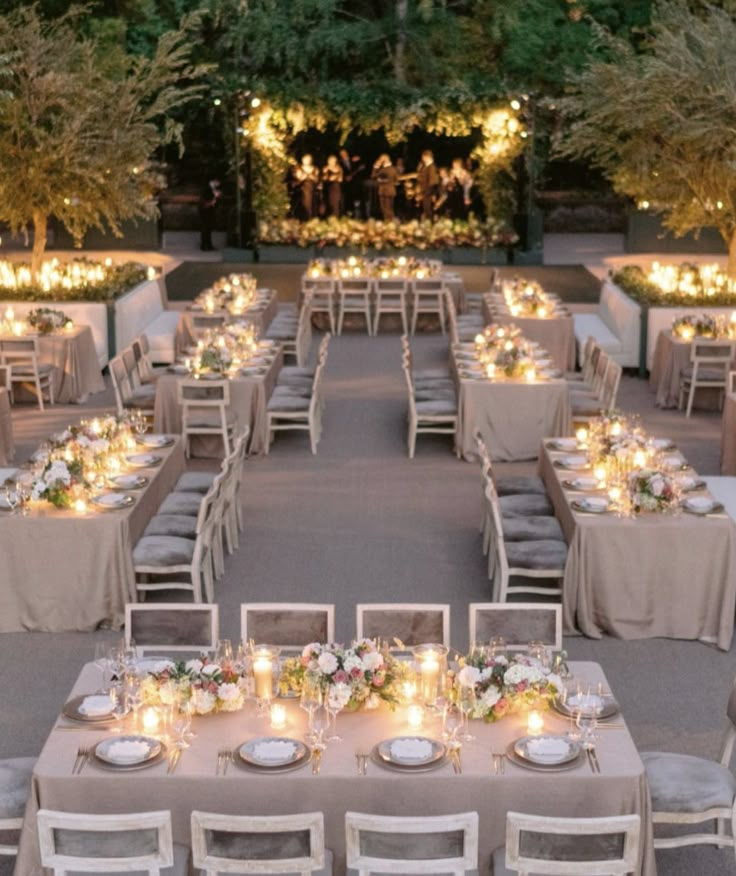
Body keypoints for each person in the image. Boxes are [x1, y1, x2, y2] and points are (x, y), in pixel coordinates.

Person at [371, 154, 399, 221]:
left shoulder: (384, 170)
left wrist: (376, 166)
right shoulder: (393, 169)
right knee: (389, 208)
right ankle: (390, 222)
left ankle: (389, 223)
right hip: (391, 190)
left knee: (385, 208)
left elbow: (373, 176)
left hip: (384, 191)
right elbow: (396, 180)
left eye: (381, 159)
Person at [338, 148, 366, 216]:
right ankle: (349, 215)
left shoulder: (354, 159)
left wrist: (360, 159)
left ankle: (360, 216)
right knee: (348, 201)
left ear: (347, 153)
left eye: (344, 153)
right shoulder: (339, 163)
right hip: (346, 186)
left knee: (358, 201)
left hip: (356, 185)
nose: (343, 155)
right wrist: (345, 178)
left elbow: (362, 166)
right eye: (341, 154)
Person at [294, 154, 320, 220]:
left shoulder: (315, 168)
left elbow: (317, 179)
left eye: (307, 160)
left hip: (312, 188)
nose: (305, 161)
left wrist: (311, 177)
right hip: (303, 188)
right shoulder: (299, 168)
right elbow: (298, 179)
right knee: (304, 203)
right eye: (304, 159)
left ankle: (312, 218)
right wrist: (304, 176)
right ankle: (304, 218)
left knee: (312, 203)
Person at [198, 177, 221, 251]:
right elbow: (205, 200)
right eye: (218, 182)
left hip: (210, 210)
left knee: (209, 228)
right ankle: (204, 245)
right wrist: (215, 196)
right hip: (205, 210)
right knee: (205, 228)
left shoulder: (213, 188)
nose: (218, 184)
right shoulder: (207, 188)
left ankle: (209, 245)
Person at [416, 150, 440, 220]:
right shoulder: (425, 167)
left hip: (428, 191)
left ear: (427, 157)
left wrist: (431, 192)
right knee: (426, 208)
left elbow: (433, 181)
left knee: (428, 208)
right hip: (425, 190)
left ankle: (430, 223)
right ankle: (428, 222)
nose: (422, 159)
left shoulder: (432, 167)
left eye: (423, 157)